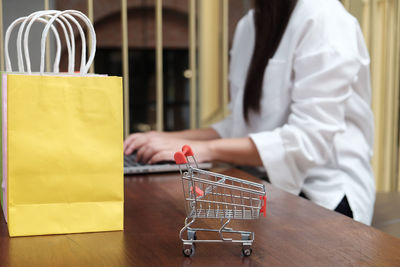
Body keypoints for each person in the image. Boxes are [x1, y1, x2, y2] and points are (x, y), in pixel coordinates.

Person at [123, 0, 375, 225]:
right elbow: (240, 126)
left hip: (325, 196)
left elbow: (308, 140)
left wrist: (203, 149)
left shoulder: (324, 16)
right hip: (266, 186)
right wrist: (170, 140)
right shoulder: (249, 26)